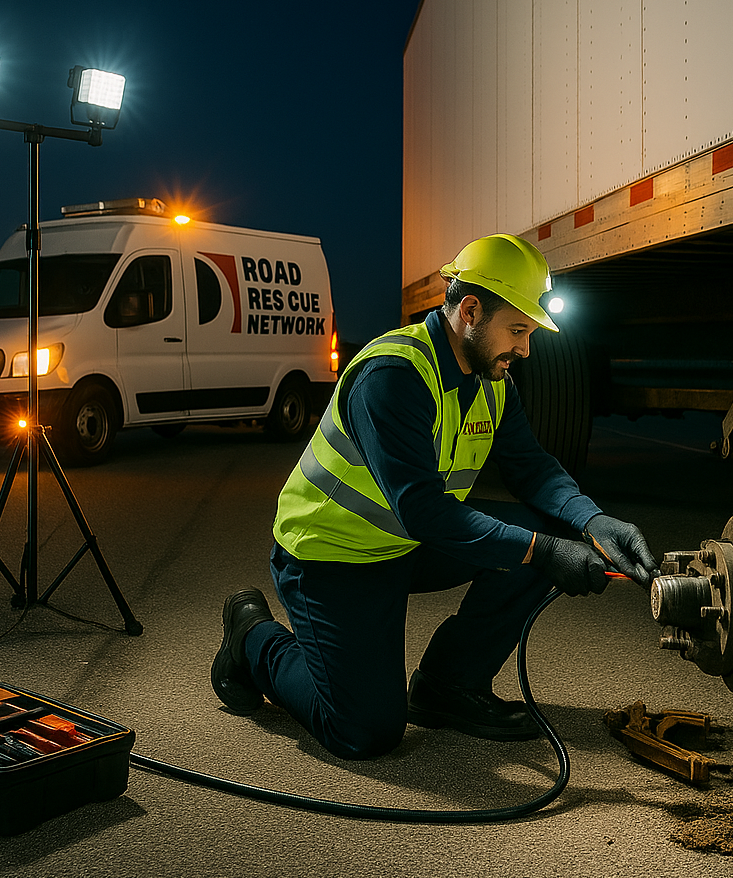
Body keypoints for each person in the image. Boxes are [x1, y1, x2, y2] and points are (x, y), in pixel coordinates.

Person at [211, 234, 658, 760]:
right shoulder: (393, 377)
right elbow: (422, 508)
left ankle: (447, 687)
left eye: (530, 333)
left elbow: (532, 469)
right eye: (518, 331)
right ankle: (251, 637)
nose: (526, 349)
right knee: (363, 731)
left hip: (406, 544)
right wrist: (543, 550)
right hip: (333, 555)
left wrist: (593, 523)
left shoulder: (493, 381)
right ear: (470, 311)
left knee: (551, 534)